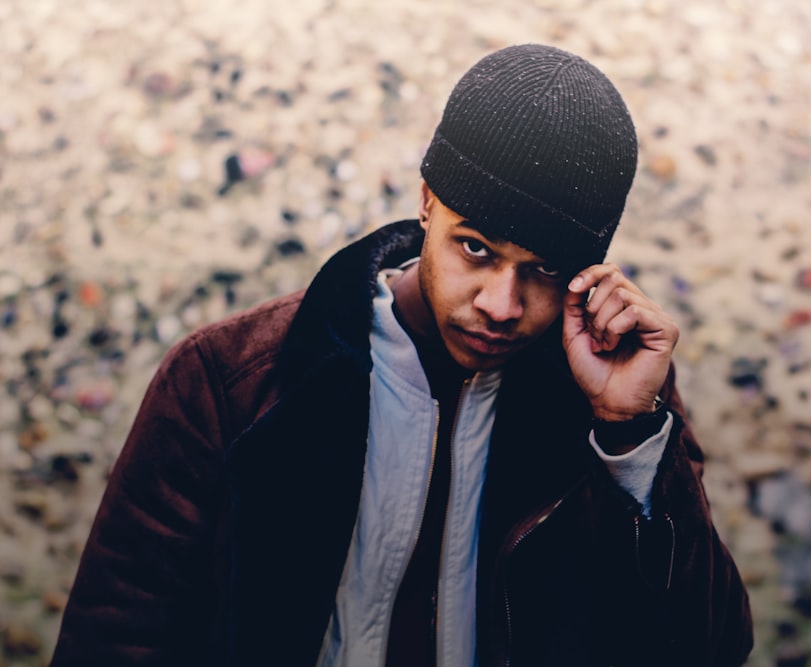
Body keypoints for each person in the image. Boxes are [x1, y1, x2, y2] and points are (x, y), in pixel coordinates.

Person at [51, 44, 753, 666]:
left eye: (542, 270)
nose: (501, 304)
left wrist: (629, 435)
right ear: (427, 203)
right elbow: (117, 639)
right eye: (475, 248)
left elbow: (707, 647)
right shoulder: (231, 381)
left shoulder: (615, 401)